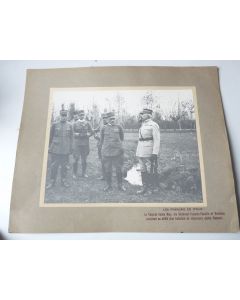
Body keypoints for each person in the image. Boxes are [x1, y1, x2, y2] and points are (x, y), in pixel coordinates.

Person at [46, 108, 73, 189]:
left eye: (65, 116)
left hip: (65, 150)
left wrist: (71, 148)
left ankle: (63, 181)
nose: (63, 117)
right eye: (62, 115)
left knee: (64, 166)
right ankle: (52, 182)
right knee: (54, 166)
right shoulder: (54, 125)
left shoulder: (70, 125)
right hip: (56, 150)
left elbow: (71, 138)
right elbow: (50, 137)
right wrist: (49, 147)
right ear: (60, 115)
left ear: (67, 116)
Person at [136, 108, 160, 194]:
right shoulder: (142, 124)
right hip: (141, 150)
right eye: (141, 114)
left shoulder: (153, 125)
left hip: (149, 150)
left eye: (143, 114)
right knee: (143, 169)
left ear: (148, 115)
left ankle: (153, 188)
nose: (141, 115)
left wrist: (155, 153)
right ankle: (144, 187)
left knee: (151, 170)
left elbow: (157, 140)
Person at [100, 112, 126, 192]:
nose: (112, 120)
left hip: (117, 152)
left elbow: (121, 138)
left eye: (114, 119)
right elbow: (102, 139)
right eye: (111, 119)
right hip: (107, 152)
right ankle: (109, 185)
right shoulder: (104, 128)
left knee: (119, 169)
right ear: (107, 119)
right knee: (108, 169)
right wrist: (103, 149)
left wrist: (118, 147)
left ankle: (120, 185)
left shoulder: (119, 127)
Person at [72, 109, 93, 178]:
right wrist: (76, 134)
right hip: (77, 144)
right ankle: (74, 173)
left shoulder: (87, 123)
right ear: (78, 115)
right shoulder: (75, 124)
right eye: (80, 115)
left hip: (85, 144)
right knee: (76, 159)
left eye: (83, 115)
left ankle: (84, 173)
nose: (82, 116)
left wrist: (88, 134)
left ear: (84, 115)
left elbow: (91, 132)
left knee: (84, 160)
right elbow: (72, 133)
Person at [93, 113, 109, 180]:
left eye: (106, 118)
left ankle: (108, 175)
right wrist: (93, 133)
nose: (105, 119)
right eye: (103, 118)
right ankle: (103, 176)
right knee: (102, 160)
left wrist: (98, 137)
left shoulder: (109, 126)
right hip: (100, 145)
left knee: (107, 161)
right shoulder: (101, 125)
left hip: (107, 146)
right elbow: (96, 130)